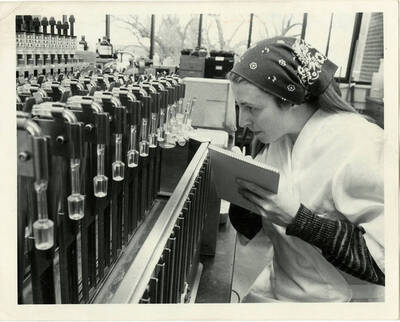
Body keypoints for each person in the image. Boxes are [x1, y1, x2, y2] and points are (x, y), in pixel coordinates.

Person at [227, 36, 384, 302]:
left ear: (292, 100)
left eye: (252, 108)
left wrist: (299, 220)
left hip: (342, 305)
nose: (243, 121)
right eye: (239, 107)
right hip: (284, 289)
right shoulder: (277, 140)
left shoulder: (362, 144)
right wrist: (240, 192)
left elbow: (384, 262)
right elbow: (256, 230)